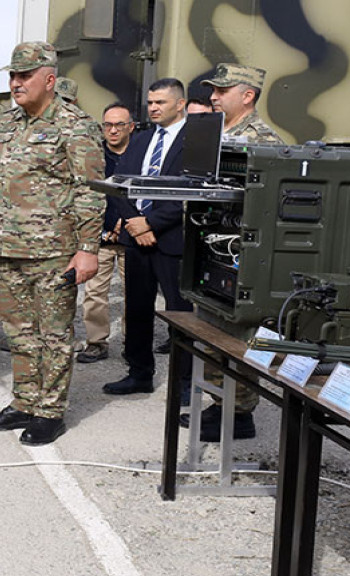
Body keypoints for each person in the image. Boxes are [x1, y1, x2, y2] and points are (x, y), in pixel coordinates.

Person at [0, 41, 105, 446]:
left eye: (24, 75)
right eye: (12, 75)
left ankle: (50, 411)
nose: (15, 82)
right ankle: (25, 401)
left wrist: (88, 249)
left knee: (54, 336)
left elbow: (91, 190)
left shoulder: (75, 124)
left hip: (53, 252)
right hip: (7, 249)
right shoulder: (7, 125)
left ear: (49, 79)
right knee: (20, 333)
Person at [191, 63, 286, 440]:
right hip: (210, 242)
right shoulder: (213, 132)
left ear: (247, 95)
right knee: (211, 328)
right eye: (213, 90)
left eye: (221, 91)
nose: (213, 97)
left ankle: (240, 412)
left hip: (241, 250)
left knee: (239, 335)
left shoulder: (263, 140)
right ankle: (220, 404)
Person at [103, 79, 193, 399]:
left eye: (161, 103)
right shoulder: (140, 140)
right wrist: (133, 223)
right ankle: (139, 373)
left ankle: (184, 382)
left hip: (172, 240)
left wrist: (150, 223)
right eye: (151, 102)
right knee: (137, 310)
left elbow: (192, 192)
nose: (153, 108)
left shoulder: (196, 140)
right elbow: (118, 184)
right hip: (136, 239)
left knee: (180, 314)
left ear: (180, 104)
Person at [78, 102, 135, 363]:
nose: (113, 130)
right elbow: (84, 195)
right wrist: (100, 228)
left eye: (119, 125)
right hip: (99, 237)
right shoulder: (95, 156)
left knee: (133, 293)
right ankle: (96, 342)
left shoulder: (140, 156)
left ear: (131, 127)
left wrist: (129, 220)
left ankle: (131, 342)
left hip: (132, 234)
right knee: (94, 294)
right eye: (108, 125)